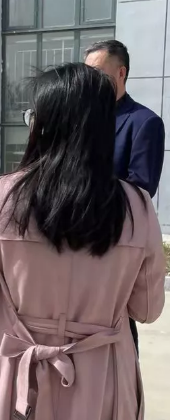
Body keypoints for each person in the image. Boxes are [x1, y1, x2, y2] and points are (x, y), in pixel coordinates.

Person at [0, 63, 166, 420]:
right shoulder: (137, 207)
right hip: (103, 383)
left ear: (42, 124)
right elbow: (147, 310)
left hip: (17, 380)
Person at [84, 39, 165, 353]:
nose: (91, 81)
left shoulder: (144, 123)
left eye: (98, 73)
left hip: (113, 244)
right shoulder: (81, 118)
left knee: (117, 336)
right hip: (71, 248)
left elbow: (141, 188)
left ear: (121, 73)